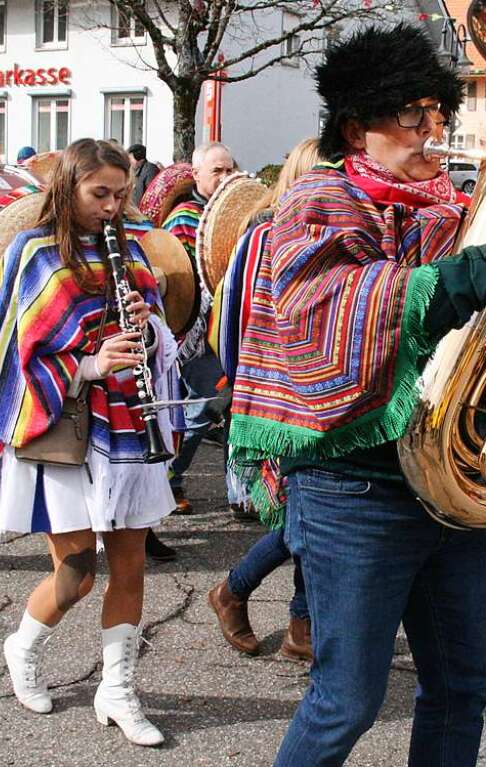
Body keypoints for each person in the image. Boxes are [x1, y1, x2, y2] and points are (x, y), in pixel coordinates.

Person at [225, 24, 486, 766]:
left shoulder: (452, 212)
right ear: (354, 128)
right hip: (355, 489)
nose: (434, 129)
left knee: (465, 682)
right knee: (346, 701)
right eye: (412, 114)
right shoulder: (316, 202)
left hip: (450, 487)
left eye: (437, 112)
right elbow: (332, 312)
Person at [0, 138, 177, 747]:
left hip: (126, 422)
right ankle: (22, 647)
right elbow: (9, 355)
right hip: (61, 428)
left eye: (122, 194)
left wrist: (145, 333)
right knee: (76, 574)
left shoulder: (132, 248)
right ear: (68, 187)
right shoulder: (33, 251)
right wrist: (89, 366)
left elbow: (159, 326)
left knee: (129, 563)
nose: (113, 206)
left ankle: (117, 691)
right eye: (101, 194)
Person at [207, 137, 323, 663]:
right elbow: (232, 317)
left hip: (322, 398)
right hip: (277, 400)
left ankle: (298, 623)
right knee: (302, 518)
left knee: (310, 514)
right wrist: (246, 388)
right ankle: (235, 591)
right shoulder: (263, 235)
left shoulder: (336, 233)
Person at [162, 141, 237, 516]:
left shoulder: (234, 215)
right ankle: (168, 480)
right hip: (196, 332)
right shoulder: (184, 218)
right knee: (202, 407)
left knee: (234, 410)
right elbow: (178, 281)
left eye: (229, 169)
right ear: (196, 175)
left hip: (230, 327)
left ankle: (241, 492)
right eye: (216, 171)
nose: (224, 176)